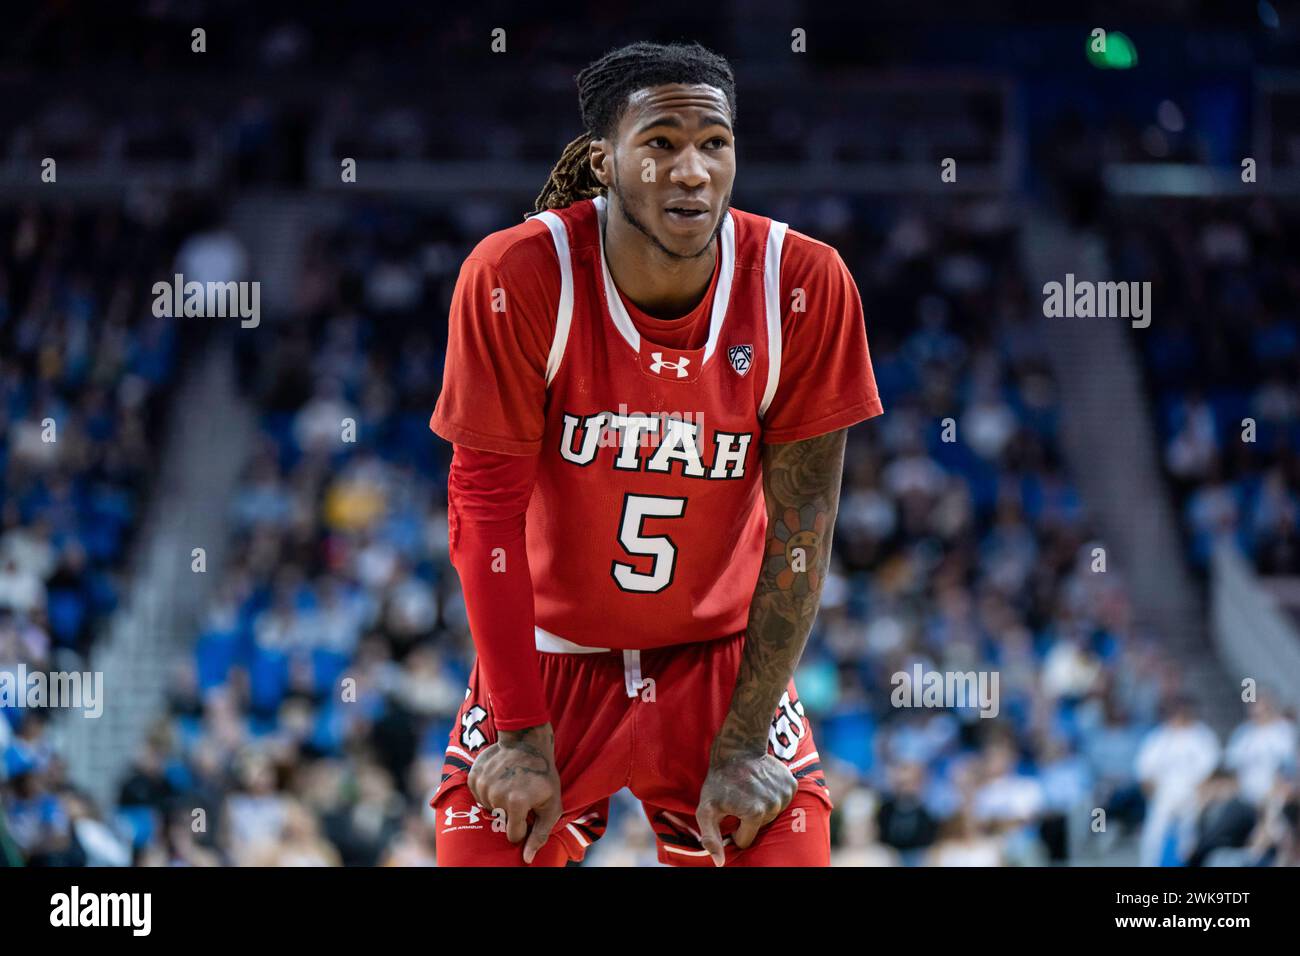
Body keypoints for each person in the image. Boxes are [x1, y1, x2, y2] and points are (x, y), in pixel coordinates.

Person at [427, 41, 883, 866]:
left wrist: (746, 739)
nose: (693, 170)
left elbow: (803, 530)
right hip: (546, 665)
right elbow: (481, 516)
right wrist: (522, 732)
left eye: (714, 142)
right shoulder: (518, 275)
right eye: (661, 143)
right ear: (605, 161)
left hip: (720, 669)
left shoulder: (803, 284)